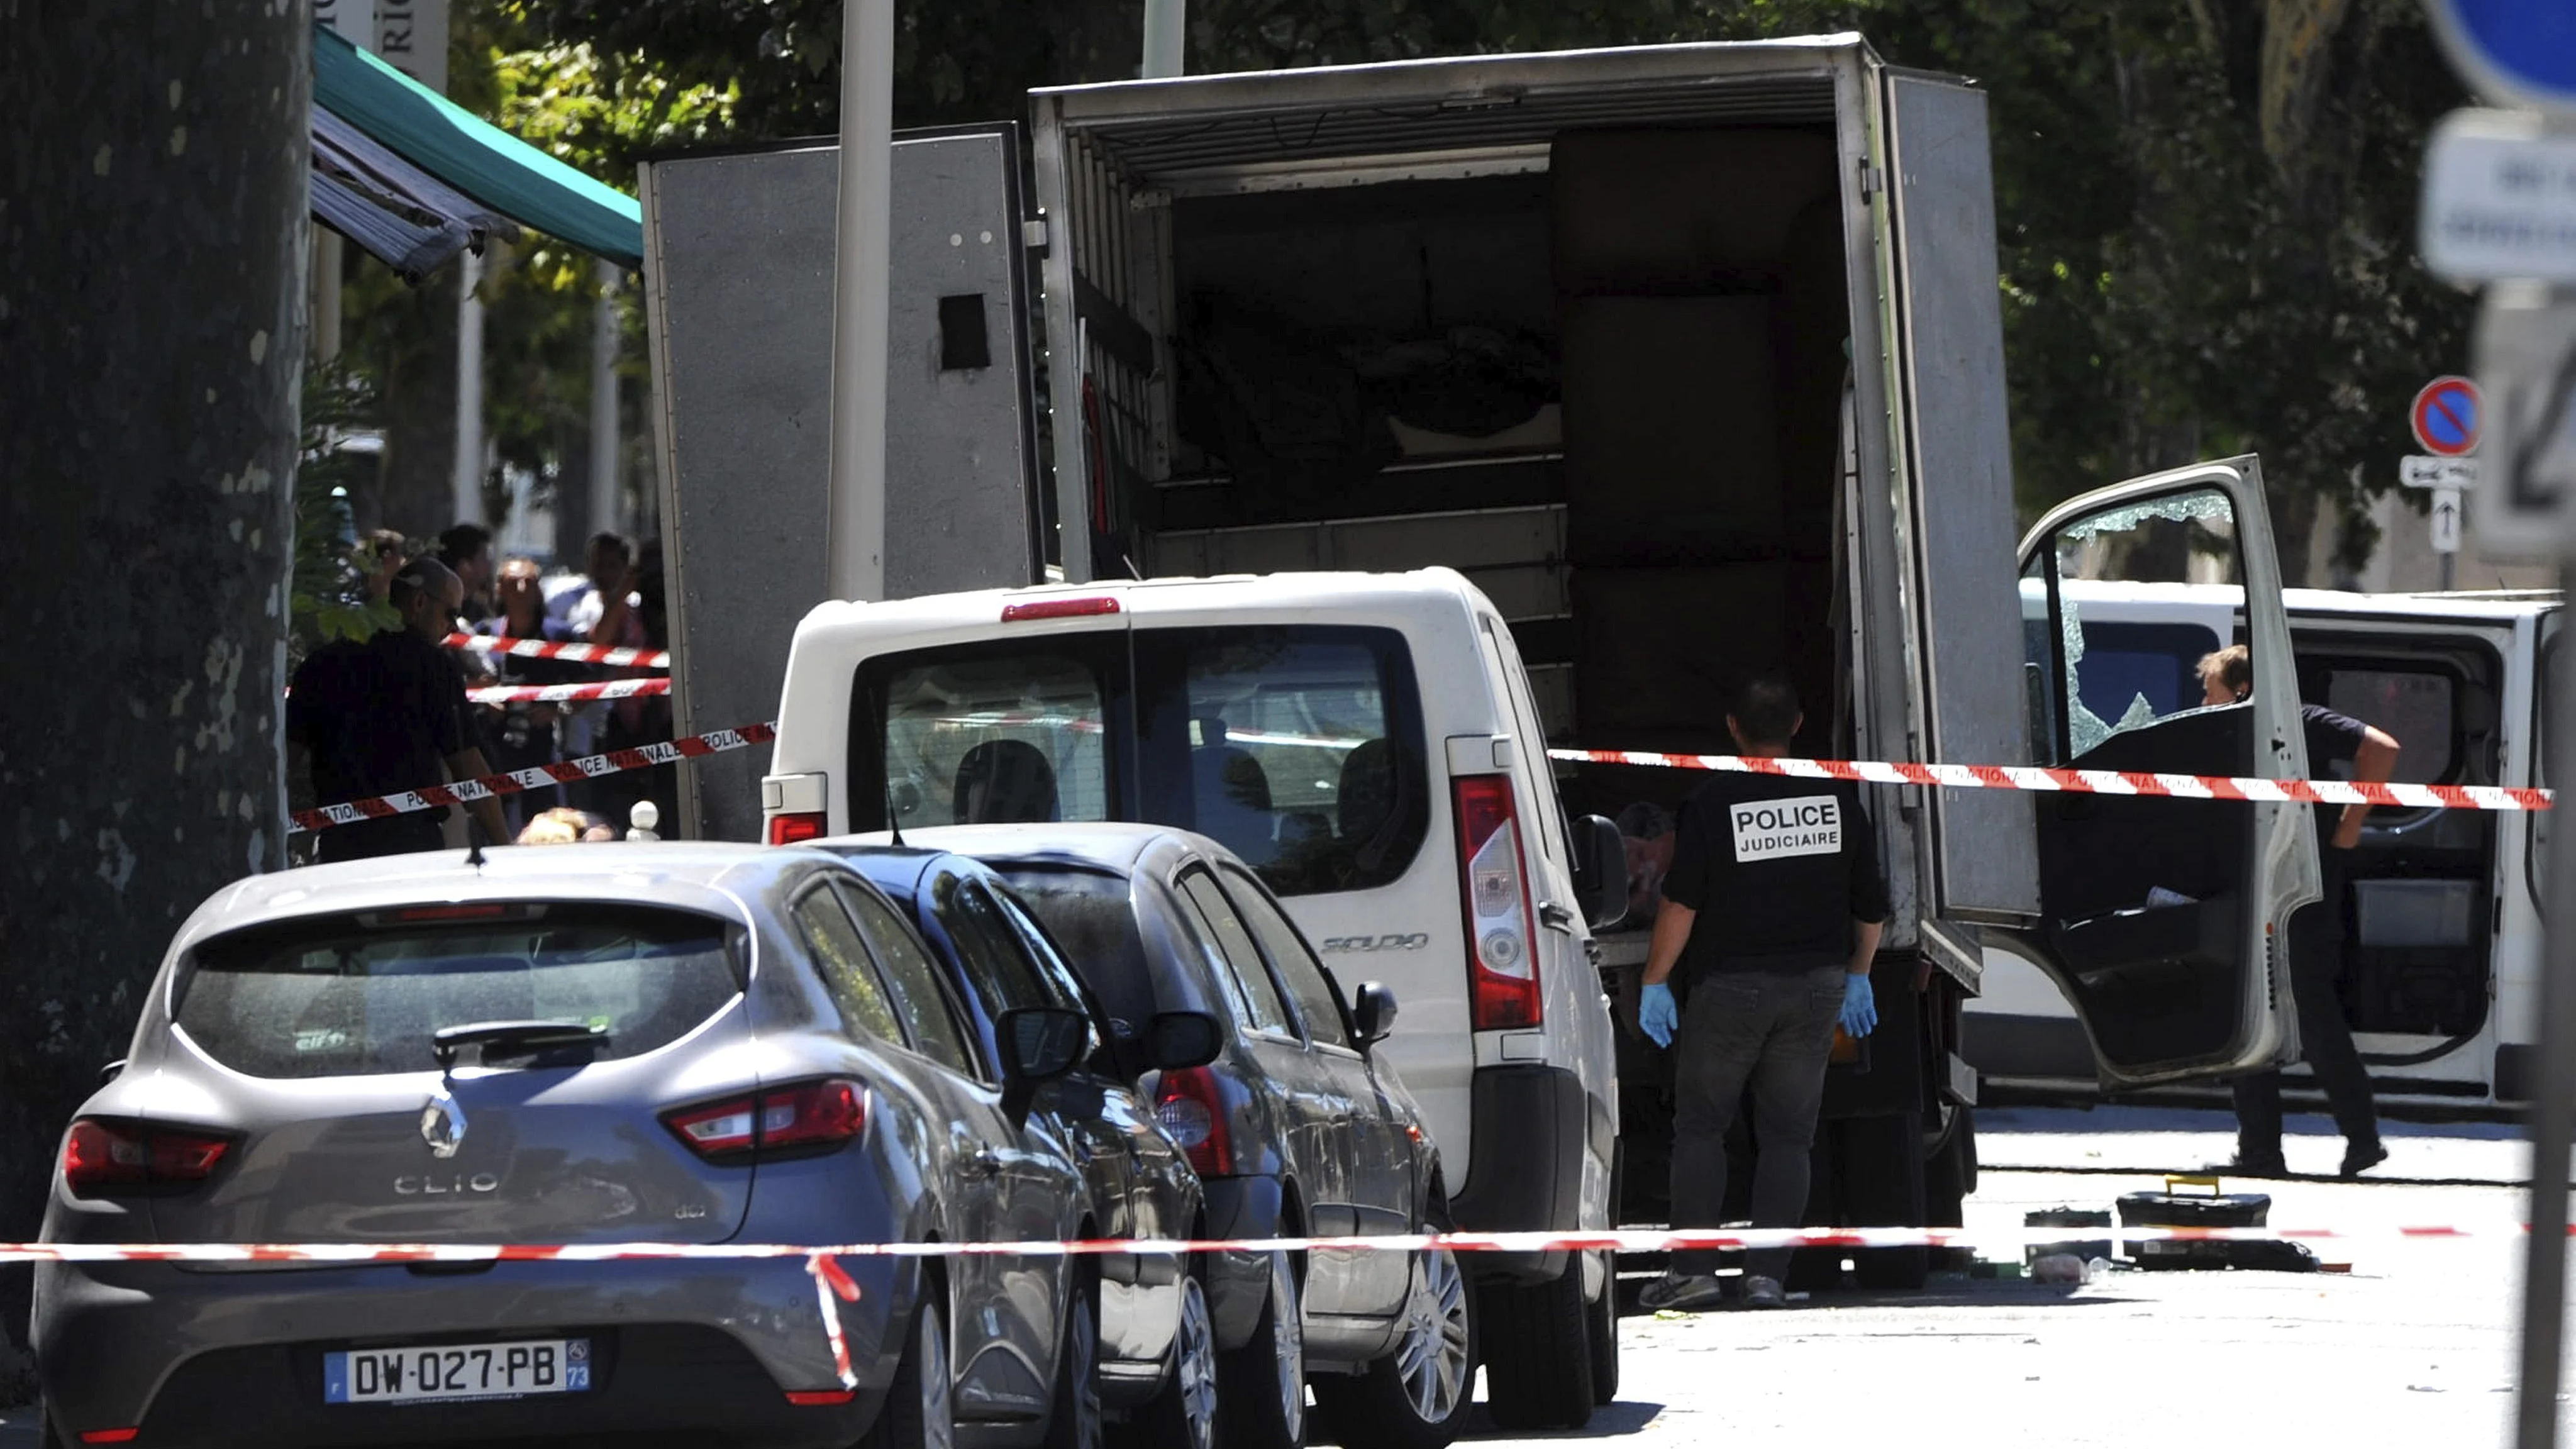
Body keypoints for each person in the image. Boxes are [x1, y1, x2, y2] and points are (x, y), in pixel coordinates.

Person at [1635, 675, 1889, 1312]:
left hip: (1730, 991)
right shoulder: (1836, 797)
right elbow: (1872, 908)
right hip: (1814, 992)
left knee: (1701, 1129)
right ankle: (1766, 1277)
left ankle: (1693, 1271)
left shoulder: (1713, 801)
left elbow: (1681, 902)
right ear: (1798, 724)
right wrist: (1857, 973)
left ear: (1732, 729)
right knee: (1787, 1138)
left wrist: (1654, 978)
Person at [2200, 644, 2400, 1179]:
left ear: (2240, 688)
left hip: (2301, 890)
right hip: (2259, 889)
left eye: (2210, 689)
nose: (2204, 699)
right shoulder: (2234, 732)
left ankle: (2360, 1137)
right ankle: (2262, 1150)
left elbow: (2381, 749)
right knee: (2255, 1013)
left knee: (2309, 1013)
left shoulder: (2299, 719)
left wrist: (2351, 825)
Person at [287, 557, 511, 862]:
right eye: (451, 614)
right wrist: (505, 848)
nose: (453, 627)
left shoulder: (321, 664)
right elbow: (468, 768)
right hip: (410, 849)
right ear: (420, 602)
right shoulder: (433, 668)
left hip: (339, 847)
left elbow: (284, 761)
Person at [472, 555, 580, 830]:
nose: (521, 590)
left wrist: (558, 709)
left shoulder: (559, 635)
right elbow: (458, 680)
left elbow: (591, 684)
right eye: (513, 582)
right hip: (493, 752)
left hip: (541, 750)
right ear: (499, 589)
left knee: (547, 826)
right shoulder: (484, 634)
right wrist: (484, 696)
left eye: (529, 583)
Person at [437, 522, 496, 621]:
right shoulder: (436, 610)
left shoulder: (480, 613)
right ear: (465, 566)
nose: (489, 564)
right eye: (484, 557)